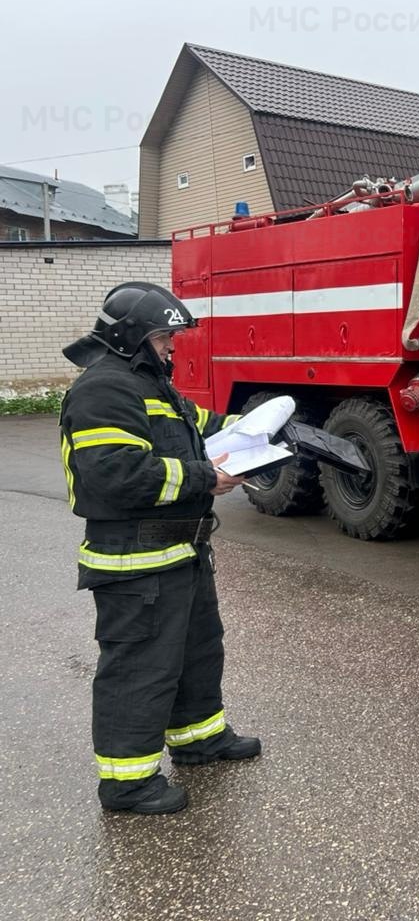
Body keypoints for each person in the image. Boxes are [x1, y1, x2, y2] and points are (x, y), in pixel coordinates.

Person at [59, 282, 261, 816]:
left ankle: (199, 741)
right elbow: (115, 476)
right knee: (140, 669)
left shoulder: (151, 386)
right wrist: (206, 478)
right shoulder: (104, 390)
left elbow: (205, 430)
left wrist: (264, 432)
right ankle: (126, 783)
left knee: (197, 653)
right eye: (165, 335)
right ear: (132, 336)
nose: (173, 345)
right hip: (135, 562)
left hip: (181, 555)